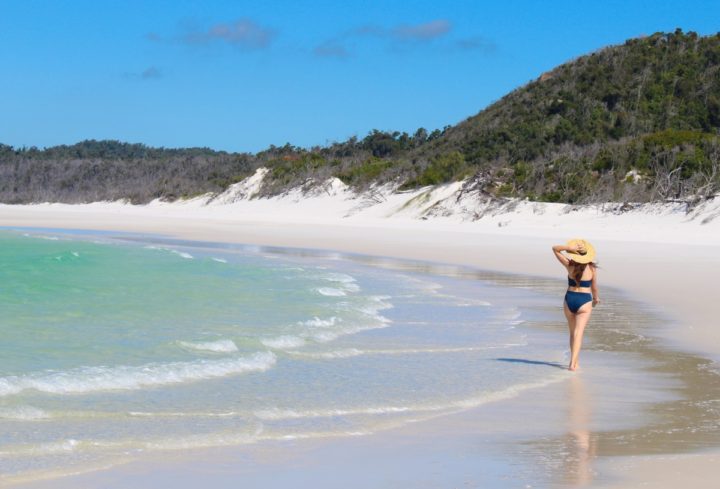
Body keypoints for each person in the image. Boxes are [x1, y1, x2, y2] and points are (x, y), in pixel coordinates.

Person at [552, 239, 600, 371]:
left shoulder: (569, 265)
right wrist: (596, 299)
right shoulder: (592, 269)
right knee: (579, 333)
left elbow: (555, 248)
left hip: (569, 299)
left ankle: (574, 362)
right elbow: (594, 288)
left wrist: (569, 248)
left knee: (572, 333)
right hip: (584, 300)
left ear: (575, 254)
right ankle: (573, 364)